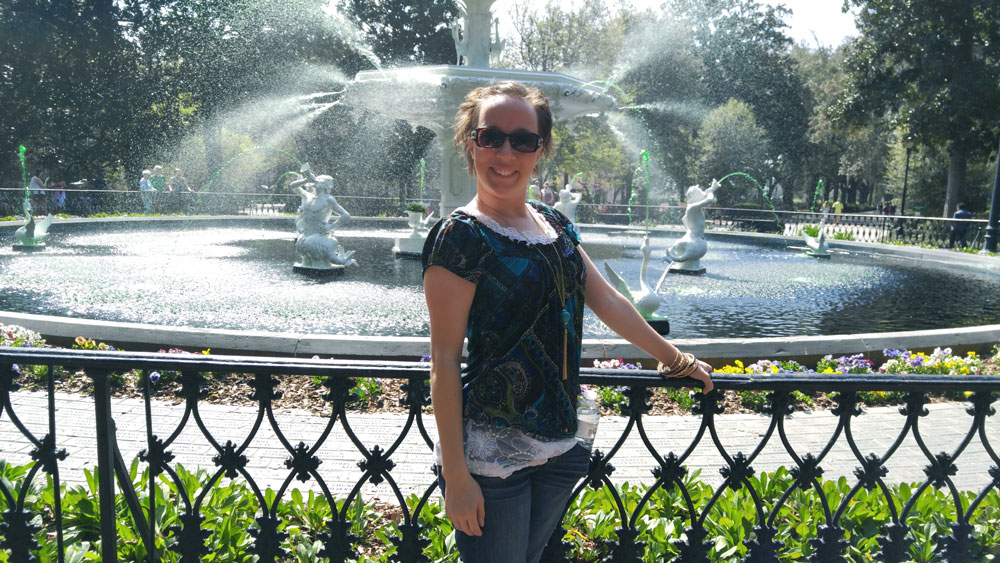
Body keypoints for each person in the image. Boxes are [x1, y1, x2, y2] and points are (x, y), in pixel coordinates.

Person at [422, 81, 714, 563]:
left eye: (523, 140)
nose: (505, 152)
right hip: (492, 454)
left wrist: (675, 359)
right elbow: (446, 361)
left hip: (561, 443)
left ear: (541, 150)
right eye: (490, 136)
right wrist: (456, 475)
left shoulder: (553, 223)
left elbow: (610, 301)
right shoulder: (459, 237)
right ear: (469, 143)